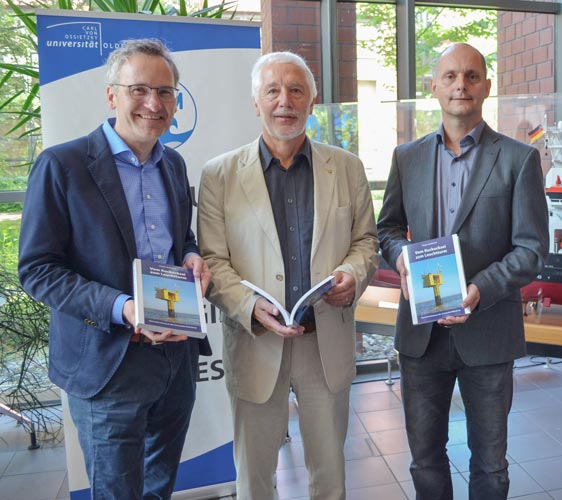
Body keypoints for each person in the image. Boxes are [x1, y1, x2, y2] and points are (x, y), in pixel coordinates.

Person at [18, 39, 211, 499]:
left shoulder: (172, 163)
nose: (153, 103)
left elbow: (178, 238)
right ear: (112, 95)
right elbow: (38, 269)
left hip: (174, 358)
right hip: (108, 363)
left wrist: (191, 255)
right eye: (139, 89)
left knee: (160, 486)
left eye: (165, 92)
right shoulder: (62, 166)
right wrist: (122, 308)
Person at [197, 51, 378, 500]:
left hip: (325, 342)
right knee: (255, 480)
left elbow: (366, 243)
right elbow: (213, 260)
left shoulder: (348, 168)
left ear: (312, 103)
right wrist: (248, 305)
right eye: (272, 91)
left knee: (330, 476)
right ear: (255, 104)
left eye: (296, 90)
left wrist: (353, 276)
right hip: (256, 342)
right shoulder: (218, 175)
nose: (285, 101)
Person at [377, 43, 550, 499]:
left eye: (472, 76)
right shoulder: (407, 158)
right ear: (433, 87)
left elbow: (531, 250)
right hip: (422, 337)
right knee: (425, 460)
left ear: (487, 87)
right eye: (450, 76)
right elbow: (388, 230)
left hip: (489, 332)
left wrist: (477, 289)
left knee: (490, 466)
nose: (461, 85)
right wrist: (402, 261)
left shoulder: (518, 159)